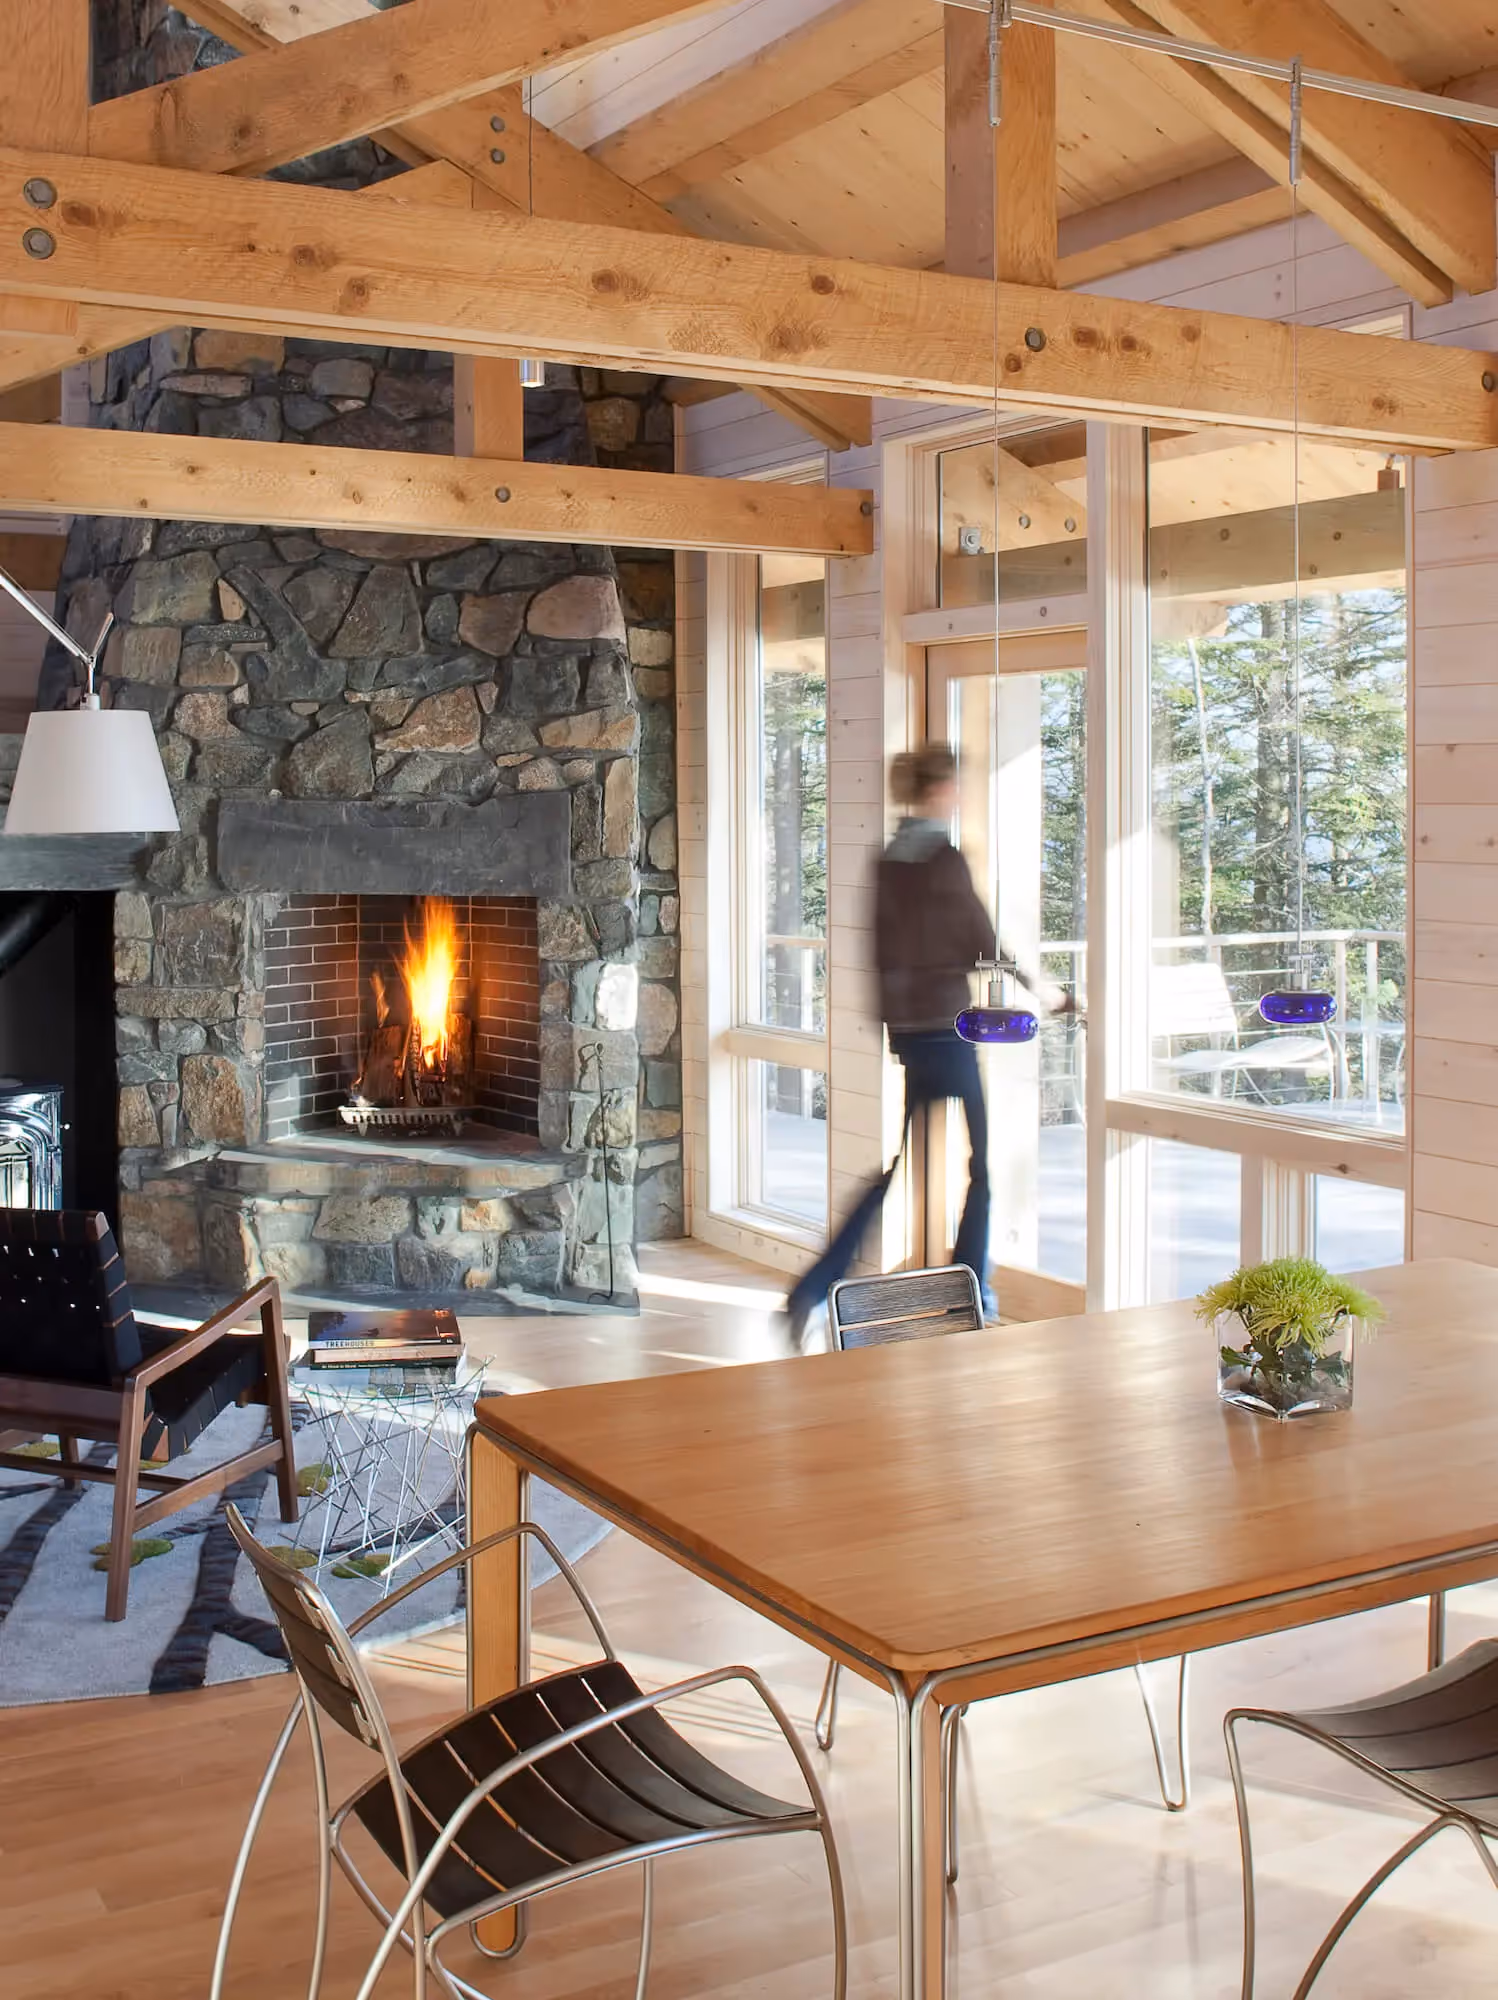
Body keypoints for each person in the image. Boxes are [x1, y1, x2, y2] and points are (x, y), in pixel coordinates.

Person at [783, 741, 1073, 1342]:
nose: (960, 794)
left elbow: (878, 949)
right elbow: (985, 941)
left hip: (911, 1036)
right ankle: (972, 1293)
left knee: (898, 1166)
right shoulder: (945, 860)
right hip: (947, 1031)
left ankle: (811, 1290)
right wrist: (1045, 992)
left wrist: (894, 1020)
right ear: (939, 790)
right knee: (981, 1167)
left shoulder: (888, 862)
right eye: (956, 785)